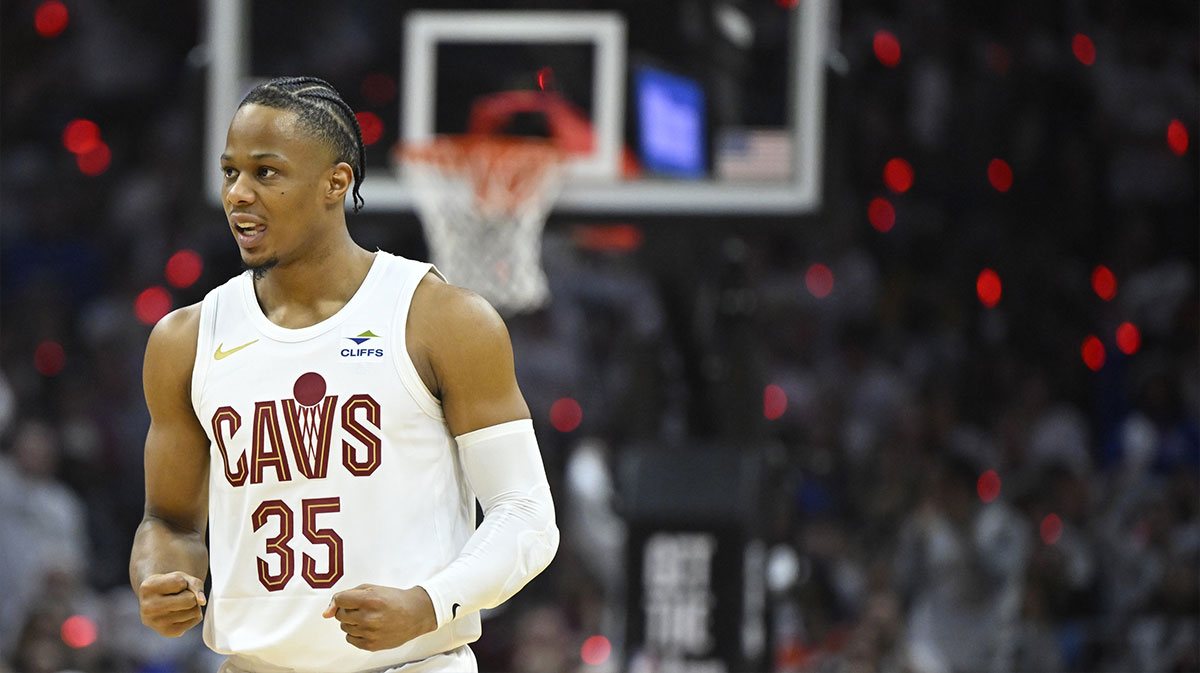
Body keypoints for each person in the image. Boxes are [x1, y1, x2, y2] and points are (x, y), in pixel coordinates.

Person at [129, 76, 559, 673]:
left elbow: (525, 514)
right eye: (231, 173)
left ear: (337, 182)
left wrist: (429, 604)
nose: (239, 194)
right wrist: (161, 577)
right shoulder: (185, 339)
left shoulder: (440, 318)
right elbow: (168, 521)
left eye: (266, 173)